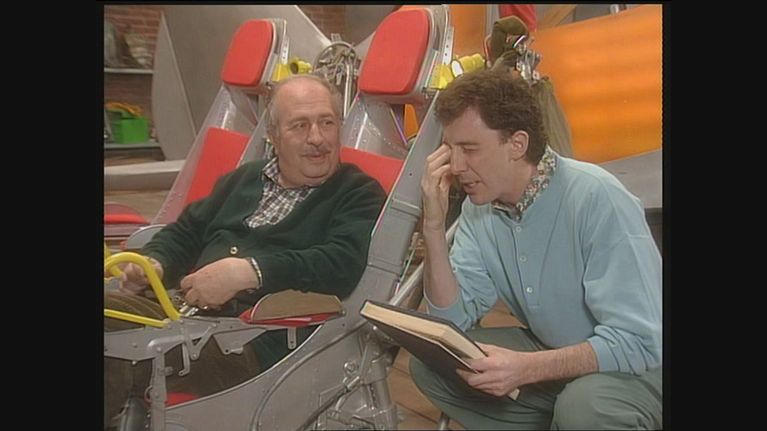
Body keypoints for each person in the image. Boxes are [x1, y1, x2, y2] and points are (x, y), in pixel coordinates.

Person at [104, 74, 386, 428]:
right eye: (300, 125)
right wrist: (156, 263)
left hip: (252, 345)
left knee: (115, 349)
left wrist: (249, 272)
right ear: (273, 136)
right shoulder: (244, 179)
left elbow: (341, 263)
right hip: (182, 317)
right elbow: (187, 231)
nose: (317, 138)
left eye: (326, 122)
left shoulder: (358, 193)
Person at [411, 69, 662, 429]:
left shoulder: (598, 198)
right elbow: (452, 322)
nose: (456, 166)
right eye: (450, 149)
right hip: (558, 354)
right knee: (436, 362)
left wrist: (526, 369)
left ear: (517, 145)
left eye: (469, 149)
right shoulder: (478, 209)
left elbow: (639, 342)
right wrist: (433, 228)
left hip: (643, 368)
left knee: (584, 406)